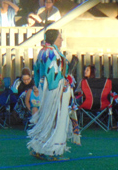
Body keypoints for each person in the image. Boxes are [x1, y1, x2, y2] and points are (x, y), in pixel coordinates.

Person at [27, 29, 80, 161]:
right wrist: (63, 85)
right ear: (54, 38)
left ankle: (39, 148)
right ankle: (52, 150)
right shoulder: (52, 53)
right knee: (55, 119)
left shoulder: (43, 51)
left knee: (46, 118)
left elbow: (38, 72)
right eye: (60, 37)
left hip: (44, 89)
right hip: (54, 91)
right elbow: (53, 76)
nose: (61, 40)